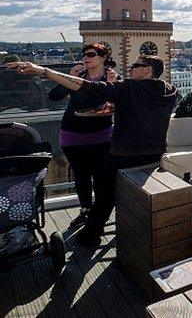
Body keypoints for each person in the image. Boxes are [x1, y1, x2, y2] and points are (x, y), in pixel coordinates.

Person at [8, 55, 179, 246]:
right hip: (154, 156)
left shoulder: (128, 88)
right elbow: (143, 107)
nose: (130, 68)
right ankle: (129, 222)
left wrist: (43, 71)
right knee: (120, 187)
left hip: (124, 156)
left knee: (103, 194)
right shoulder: (170, 90)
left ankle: (90, 235)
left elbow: (86, 86)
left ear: (148, 70)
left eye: (136, 66)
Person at [48, 44, 119, 227]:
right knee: (81, 175)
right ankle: (85, 210)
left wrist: (115, 84)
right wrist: (69, 78)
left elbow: (118, 100)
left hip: (101, 135)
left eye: (90, 54)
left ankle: (99, 214)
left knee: (101, 176)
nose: (85, 58)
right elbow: (54, 96)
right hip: (72, 133)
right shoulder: (78, 77)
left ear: (103, 57)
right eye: (84, 55)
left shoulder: (111, 78)